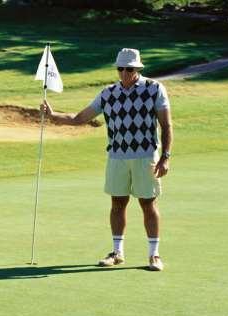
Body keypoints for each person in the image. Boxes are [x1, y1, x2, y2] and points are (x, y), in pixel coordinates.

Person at [40, 48, 172, 271]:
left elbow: (167, 125)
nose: (124, 73)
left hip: (146, 156)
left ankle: (154, 255)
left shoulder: (154, 89)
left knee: (148, 204)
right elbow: (80, 118)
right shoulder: (108, 93)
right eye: (120, 68)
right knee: (117, 204)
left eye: (129, 68)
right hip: (117, 157)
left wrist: (166, 157)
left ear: (137, 69)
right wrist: (53, 116)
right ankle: (117, 252)